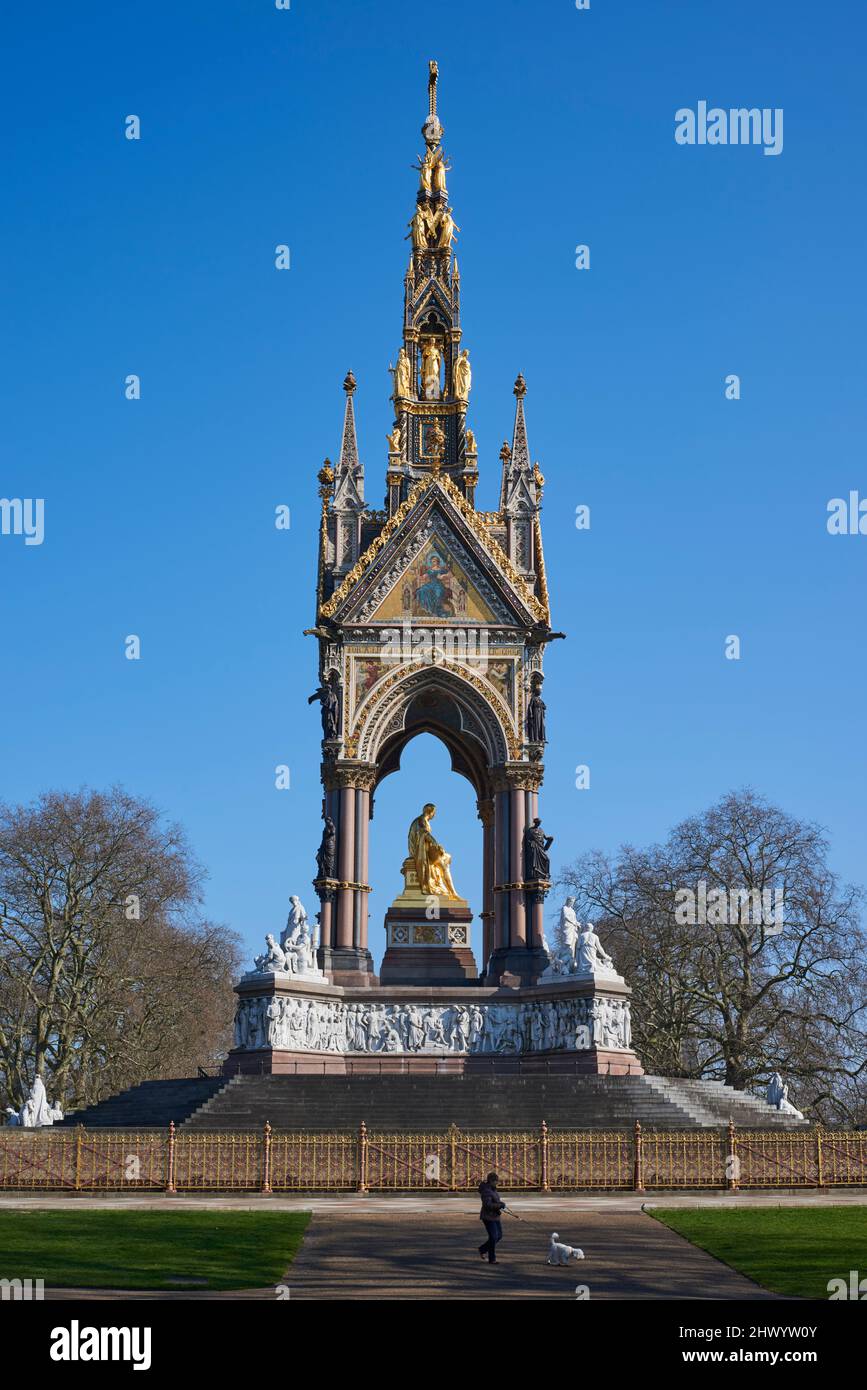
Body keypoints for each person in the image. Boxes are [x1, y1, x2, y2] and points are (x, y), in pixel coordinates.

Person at [478, 1171, 506, 1264]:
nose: (497, 1183)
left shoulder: (493, 1189)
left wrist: (500, 1205)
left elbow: (495, 1201)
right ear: (491, 1181)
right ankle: (492, 1259)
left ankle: (483, 1249)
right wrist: (499, 1205)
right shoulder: (486, 1191)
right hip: (488, 1217)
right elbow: (487, 1205)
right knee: (493, 1237)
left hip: (495, 1216)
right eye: (496, 1181)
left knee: (499, 1236)